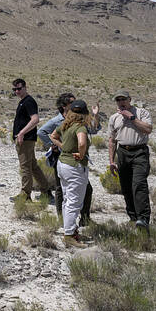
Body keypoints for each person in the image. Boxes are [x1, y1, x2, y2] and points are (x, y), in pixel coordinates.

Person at [39, 93, 100, 224]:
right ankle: (63, 219)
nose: (74, 104)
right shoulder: (58, 121)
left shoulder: (78, 120)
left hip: (73, 160)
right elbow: (42, 132)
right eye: (71, 102)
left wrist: (95, 115)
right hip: (63, 158)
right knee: (61, 189)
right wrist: (56, 146)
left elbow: (95, 129)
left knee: (85, 189)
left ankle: (83, 218)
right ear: (64, 106)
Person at [50, 100, 93, 248]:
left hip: (62, 164)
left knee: (67, 198)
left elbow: (53, 135)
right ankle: (69, 234)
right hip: (74, 167)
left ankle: (70, 229)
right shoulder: (80, 127)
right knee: (74, 201)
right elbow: (82, 143)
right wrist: (81, 155)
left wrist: (64, 147)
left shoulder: (65, 125)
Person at [108, 90, 153, 230]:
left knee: (139, 184)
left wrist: (132, 118)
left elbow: (148, 129)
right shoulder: (114, 117)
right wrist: (111, 161)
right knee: (126, 186)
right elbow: (111, 140)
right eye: (118, 100)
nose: (121, 102)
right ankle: (133, 217)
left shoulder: (142, 113)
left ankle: (143, 218)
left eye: (123, 99)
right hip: (122, 152)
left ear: (129, 100)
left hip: (139, 151)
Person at [11, 78, 52, 202]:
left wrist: (22, 133)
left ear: (25, 87)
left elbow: (35, 119)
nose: (17, 91)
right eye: (15, 89)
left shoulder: (29, 101)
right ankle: (46, 189)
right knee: (33, 166)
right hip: (26, 139)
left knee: (25, 167)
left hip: (25, 139)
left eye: (19, 88)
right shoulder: (23, 101)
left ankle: (25, 194)